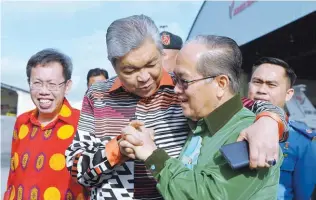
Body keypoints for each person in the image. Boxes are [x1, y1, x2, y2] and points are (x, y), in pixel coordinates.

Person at [66, 15, 287, 200]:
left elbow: (235, 105)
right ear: (113, 64)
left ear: (161, 53)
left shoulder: (184, 86)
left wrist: (269, 122)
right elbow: (77, 169)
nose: (144, 77)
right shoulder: (98, 96)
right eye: (130, 70)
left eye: (151, 64)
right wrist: (117, 150)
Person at [119, 35, 282, 200]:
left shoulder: (250, 137)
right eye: (176, 79)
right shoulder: (202, 125)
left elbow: (208, 195)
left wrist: (152, 155)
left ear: (221, 84)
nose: (176, 89)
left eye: (184, 81)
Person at [4, 49, 88, 200]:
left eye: (52, 84)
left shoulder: (83, 123)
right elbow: (13, 175)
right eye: (37, 83)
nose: (44, 91)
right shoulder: (21, 122)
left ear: (67, 86)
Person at [248, 57, 316, 200]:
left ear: (288, 94)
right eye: (257, 82)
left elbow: (303, 195)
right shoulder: (227, 126)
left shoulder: (301, 141)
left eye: (271, 85)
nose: (261, 90)